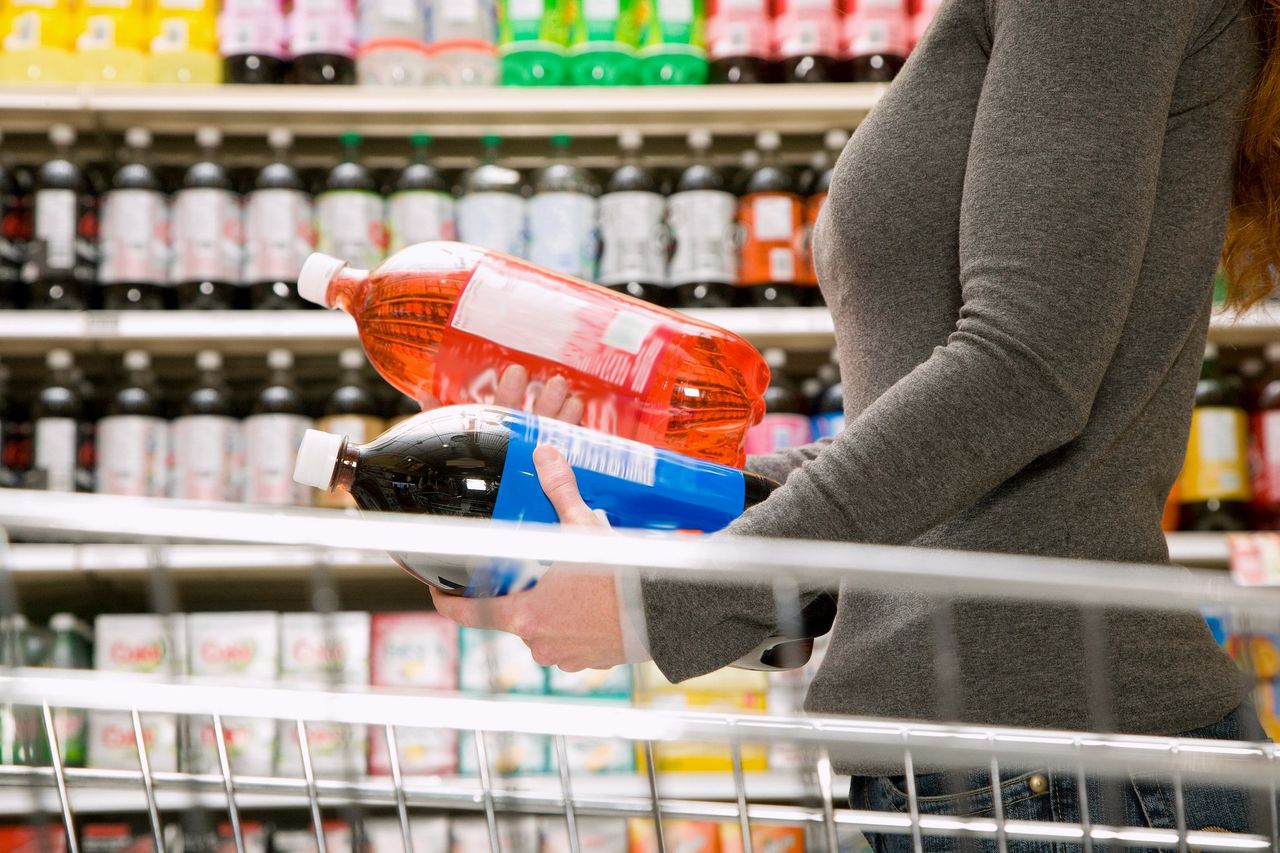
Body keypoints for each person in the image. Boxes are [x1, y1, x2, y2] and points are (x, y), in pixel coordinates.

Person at [433, 0, 1280, 847]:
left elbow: (1023, 373)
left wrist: (662, 602)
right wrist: (606, 494)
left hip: (1057, 772)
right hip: (988, 771)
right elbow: (937, 455)